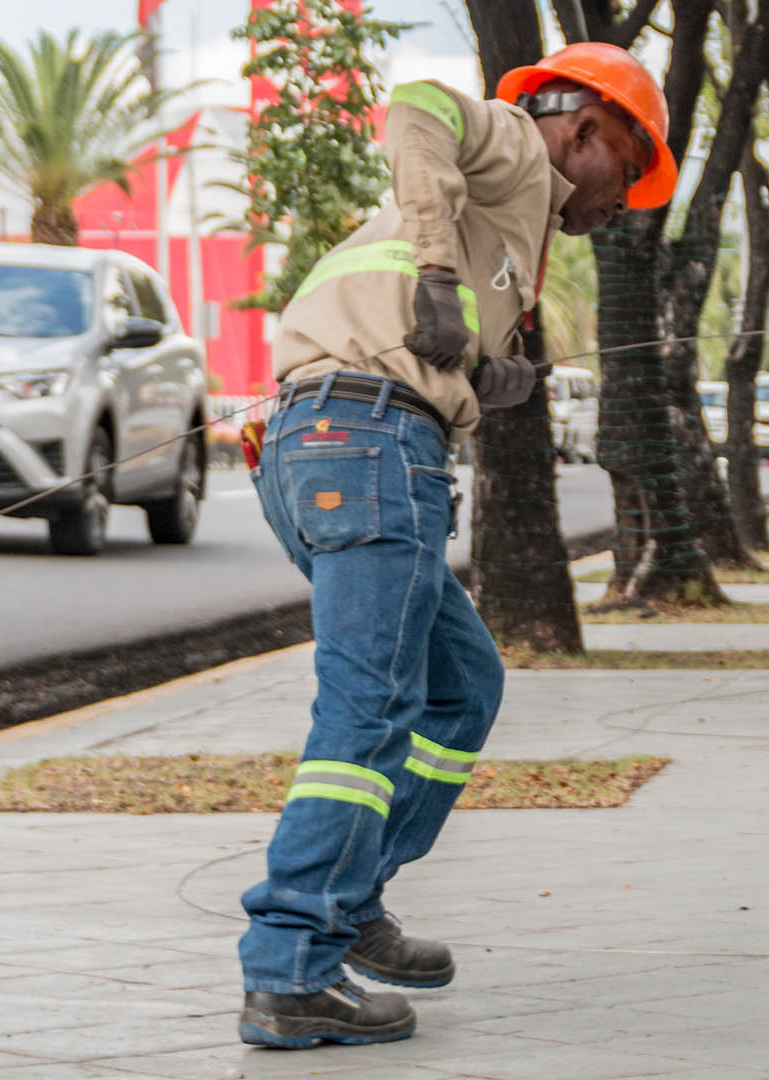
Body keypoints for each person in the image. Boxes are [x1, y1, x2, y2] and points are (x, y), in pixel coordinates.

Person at [236, 43, 675, 1049]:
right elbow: (417, 107)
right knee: (371, 705)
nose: (620, 208)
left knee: (461, 683)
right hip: (367, 443)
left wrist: (490, 367)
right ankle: (293, 963)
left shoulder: (506, 222)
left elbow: (427, 334)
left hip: (335, 441)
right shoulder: (520, 145)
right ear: (590, 131)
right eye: (627, 177)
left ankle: (348, 905)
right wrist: (438, 267)